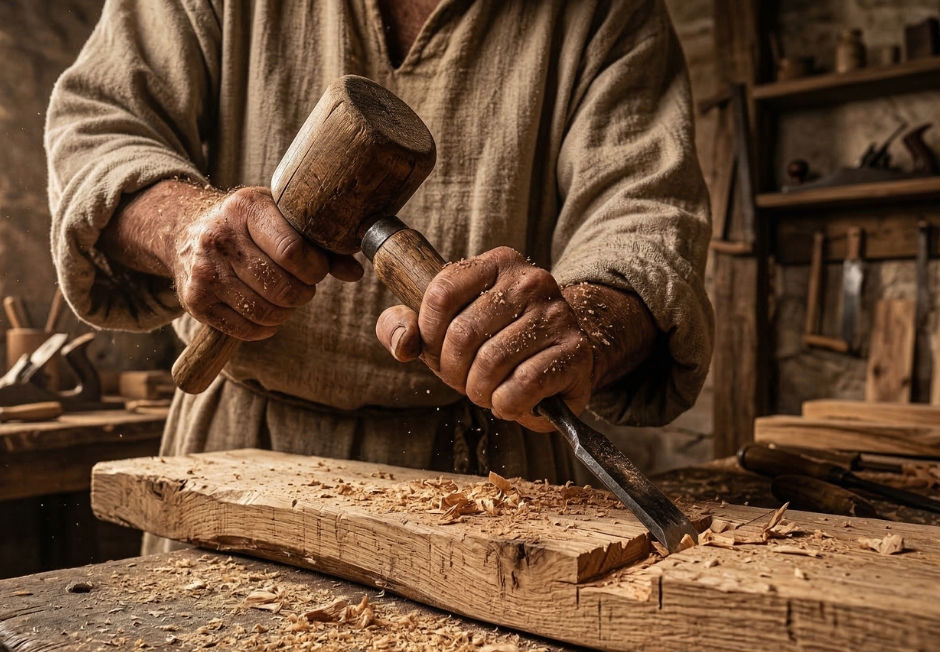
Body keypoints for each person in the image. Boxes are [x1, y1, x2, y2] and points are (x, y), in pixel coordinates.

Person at [45, 0, 713, 492]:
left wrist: (577, 329)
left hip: (492, 473)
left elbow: (648, 222)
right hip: (236, 454)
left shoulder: (607, 13)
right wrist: (181, 223)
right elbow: (96, 129)